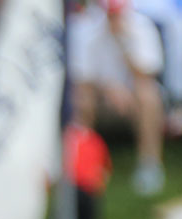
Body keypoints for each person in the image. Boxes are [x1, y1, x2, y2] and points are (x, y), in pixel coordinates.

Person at [69, 0, 163, 196]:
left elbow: (146, 74)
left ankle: (149, 164)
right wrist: (109, 89)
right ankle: (82, 163)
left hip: (132, 102)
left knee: (148, 94)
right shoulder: (85, 28)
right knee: (81, 97)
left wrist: (124, 43)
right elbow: (82, 79)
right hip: (101, 100)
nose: (114, 18)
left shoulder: (142, 27)